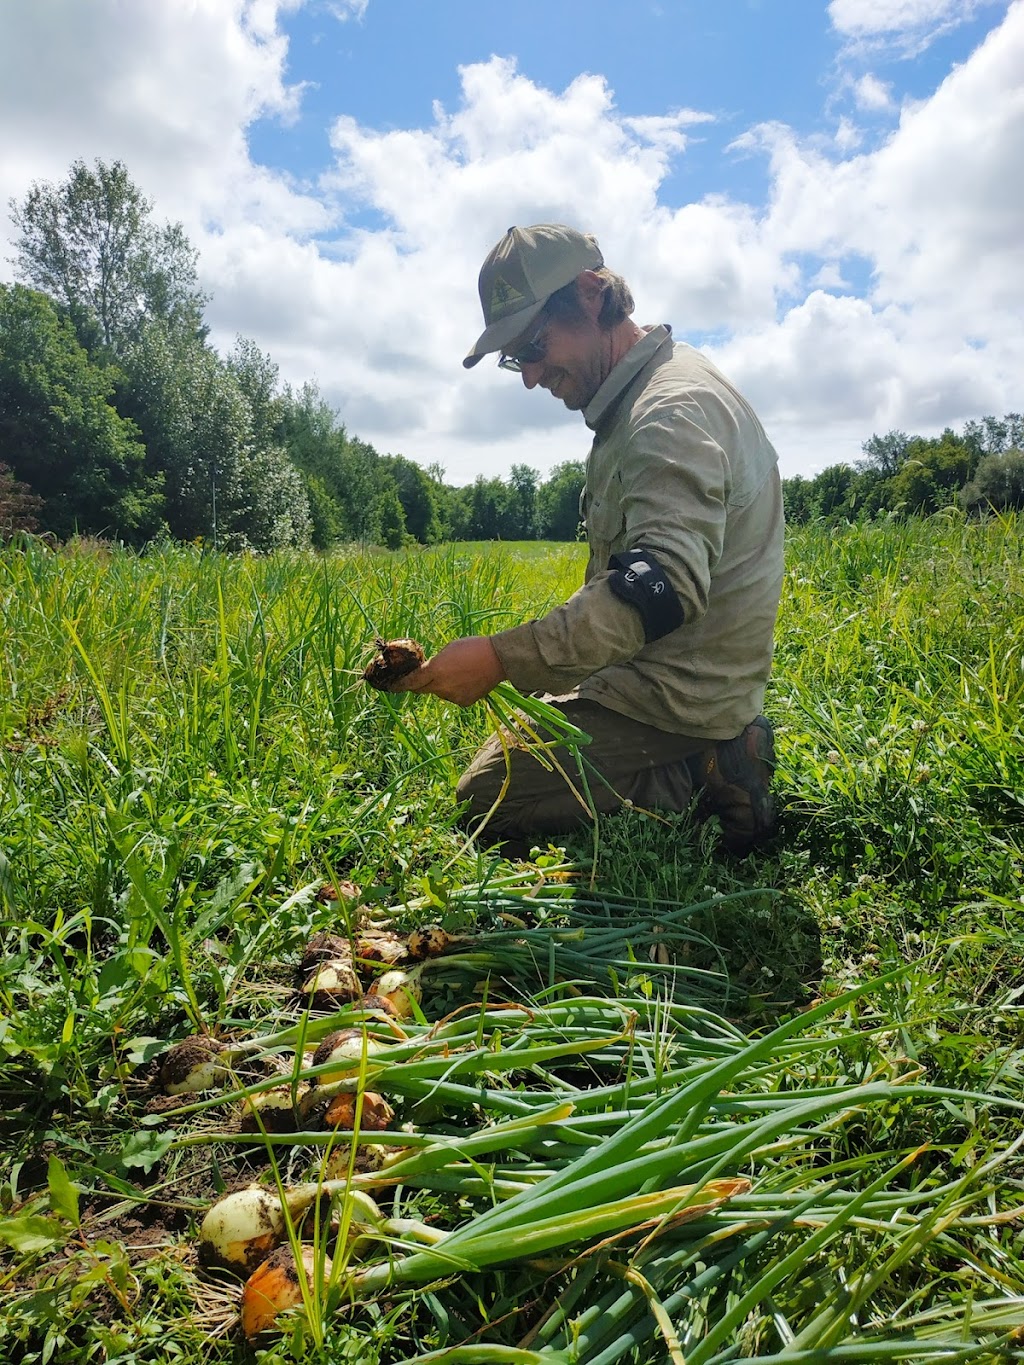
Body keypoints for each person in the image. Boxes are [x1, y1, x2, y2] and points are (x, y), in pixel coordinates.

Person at [388, 223, 784, 856]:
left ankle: (711, 765)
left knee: (487, 795)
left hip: (677, 696)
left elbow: (659, 588)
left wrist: (499, 658)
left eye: (536, 345)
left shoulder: (667, 413)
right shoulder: (633, 403)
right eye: (517, 357)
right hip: (646, 670)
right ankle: (702, 749)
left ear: (593, 293)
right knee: (522, 734)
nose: (530, 375)